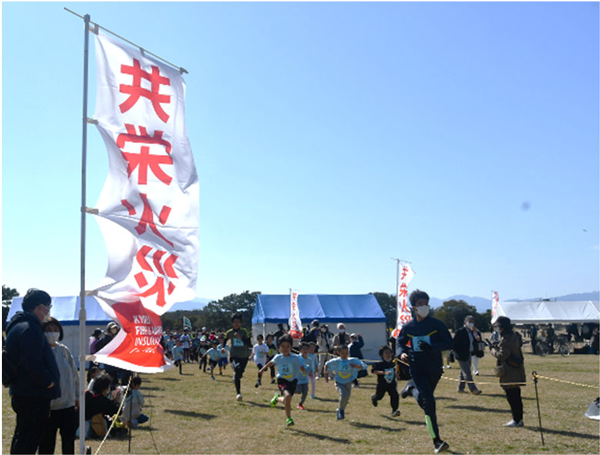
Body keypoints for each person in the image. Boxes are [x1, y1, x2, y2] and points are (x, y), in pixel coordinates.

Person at [5, 288, 60, 454]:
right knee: (28, 442)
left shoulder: (18, 326)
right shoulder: (30, 328)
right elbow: (32, 363)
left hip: (25, 393)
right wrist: (48, 382)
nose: (48, 312)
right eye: (48, 307)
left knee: (22, 438)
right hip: (33, 395)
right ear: (41, 307)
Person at [397, 289, 453, 454]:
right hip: (417, 367)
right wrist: (402, 353)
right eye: (420, 304)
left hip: (435, 368)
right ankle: (437, 441)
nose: (424, 307)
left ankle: (411, 389)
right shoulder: (409, 327)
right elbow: (399, 343)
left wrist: (433, 347)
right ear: (413, 307)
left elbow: (449, 343)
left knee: (425, 400)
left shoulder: (437, 324)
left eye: (426, 303)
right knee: (429, 401)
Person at [39, 318, 80, 454]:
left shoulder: (64, 350)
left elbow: (74, 375)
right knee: (47, 444)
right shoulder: (39, 351)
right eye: (48, 330)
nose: (52, 333)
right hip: (50, 407)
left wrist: (77, 396)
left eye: (55, 330)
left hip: (68, 406)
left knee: (69, 442)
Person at [258, 334, 305, 426]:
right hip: (282, 380)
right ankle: (289, 418)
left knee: (287, 399)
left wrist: (303, 369)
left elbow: (301, 365)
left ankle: (277, 398)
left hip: (293, 381)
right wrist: (262, 370)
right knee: (287, 397)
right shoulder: (278, 357)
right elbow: (270, 363)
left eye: (288, 346)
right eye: (283, 346)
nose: (285, 348)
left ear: (291, 347)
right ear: (279, 348)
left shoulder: (295, 357)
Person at [490, 316, 526, 428]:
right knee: (516, 395)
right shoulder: (514, 336)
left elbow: (502, 355)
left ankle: (516, 419)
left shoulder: (506, 339)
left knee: (512, 396)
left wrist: (493, 350)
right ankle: (518, 419)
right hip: (516, 369)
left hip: (510, 370)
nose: (497, 329)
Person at [325, 344, 366, 420]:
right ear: (338, 353)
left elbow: (363, 365)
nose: (345, 355)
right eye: (343, 353)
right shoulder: (336, 361)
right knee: (344, 394)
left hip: (348, 382)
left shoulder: (352, 360)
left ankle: (341, 410)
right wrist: (326, 374)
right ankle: (341, 410)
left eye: (346, 353)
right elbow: (327, 364)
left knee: (346, 398)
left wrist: (357, 366)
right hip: (339, 382)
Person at [225, 313, 252, 401]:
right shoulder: (229, 332)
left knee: (240, 373)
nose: (236, 323)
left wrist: (241, 338)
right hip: (234, 355)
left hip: (244, 356)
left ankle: (236, 376)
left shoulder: (244, 331)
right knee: (237, 368)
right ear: (232, 323)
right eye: (235, 322)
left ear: (241, 323)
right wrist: (222, 348)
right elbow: (224, 341)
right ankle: (238, 393)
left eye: (238, 322)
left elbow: (249, 344)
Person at [452, 315, 482, 395]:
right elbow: (454, 343)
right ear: (465, 322)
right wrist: (456, 352)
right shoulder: (460, 331)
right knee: (468, 373)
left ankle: (460, 388)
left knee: (463, 373)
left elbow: (474, 342)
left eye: (472, 322)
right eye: (470, 321)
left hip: (469, 354)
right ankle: (473, 389)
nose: (471, 323)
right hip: (461, 355)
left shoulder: (473, 332)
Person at [371, 345, 400, 417]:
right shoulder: (379, 363)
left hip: (392, 383)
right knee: (379, 396)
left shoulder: (393, 363)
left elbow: (394, 371)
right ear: (382, 355)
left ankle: (394, 410)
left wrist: (397, 375)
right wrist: (383, 373)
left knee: (395, 395)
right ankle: (374, 398)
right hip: (382, 384)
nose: (388, 354)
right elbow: (374, 371)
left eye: (389, 352)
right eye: (386, 353)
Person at [296, 342, 313, 410]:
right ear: (300, 350)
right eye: (304, 349)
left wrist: (310, 372)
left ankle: (300, 404)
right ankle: (292, 390)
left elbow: (311, 369)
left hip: (305, 379)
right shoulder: (297, 358)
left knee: (305, 392)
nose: (305, 351)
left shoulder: (310, 360)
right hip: (297, 379)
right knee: (299, 391)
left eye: (307, 349)